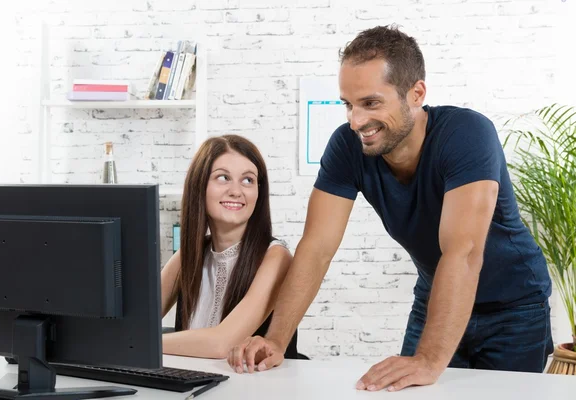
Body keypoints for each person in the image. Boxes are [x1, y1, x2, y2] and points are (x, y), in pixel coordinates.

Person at [228, 25, 553, 391]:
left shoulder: (467, 134)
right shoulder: (347, 147)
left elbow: (463, 252)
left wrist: (429, 360)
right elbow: (316, 248)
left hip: (514, 307)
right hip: (435, 299)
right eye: (347, 104)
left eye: (370, 103)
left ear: (416, 94)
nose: (355, 121)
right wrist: (277, 341)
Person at [161, 134, 302, 360]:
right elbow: (139, 323)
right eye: (223, 177)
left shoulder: (276, 257)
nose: (237, 191)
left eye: (248, 180)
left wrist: (143, 345)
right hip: (195, 383)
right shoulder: (187, 256)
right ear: (199, 185)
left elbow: (221, 344)